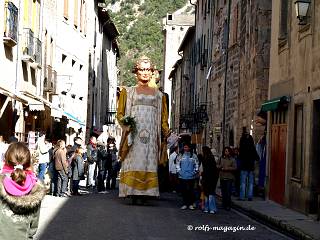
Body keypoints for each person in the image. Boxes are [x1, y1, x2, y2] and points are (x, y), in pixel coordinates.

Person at [116, 56, 170, 203]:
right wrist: (125, 123)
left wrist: (166, 130)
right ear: (136, 72)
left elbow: (164, 118)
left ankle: (147, 194)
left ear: (152, 72)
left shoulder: (160, 96)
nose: (145, 72)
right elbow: (120, 113)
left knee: (149, 162)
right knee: (134, 161)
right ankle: (133, 192)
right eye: (142, 69)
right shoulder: (128, 92)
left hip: (152, 136)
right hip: (133, 134)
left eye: (148, 69)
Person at [0, 142, 46, 239]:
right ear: (28, 162)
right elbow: (32, 228)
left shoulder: (1, 185)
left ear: (6, 160)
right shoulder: (35, 189)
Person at [238, 127, 260, 201]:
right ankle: (250, 196)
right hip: (250, 166)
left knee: (243, 182)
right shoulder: (252, 146)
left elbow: (240, 156)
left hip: (244, 166)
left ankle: (242, 196)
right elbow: (256, 156)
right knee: (250, 183)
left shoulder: (242, 146)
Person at [176, 143, 199, 210]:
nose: (185, 148)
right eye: (184, 147)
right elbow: (177, 164)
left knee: (191, 191)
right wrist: (179, 172)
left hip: (191, 177)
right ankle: (185, 203)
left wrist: (194, 172)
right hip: (182, 176)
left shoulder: (194, 156)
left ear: (189, 148)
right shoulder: (180, 155)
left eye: (186, 147)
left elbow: (196, 165)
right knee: (184, 191)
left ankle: (191, 204)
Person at [200, 146, 219, 214]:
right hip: (209, 177)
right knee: (209, 193)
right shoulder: (209, 158)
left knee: (208, 193)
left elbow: (206, 169)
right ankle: (211, 208)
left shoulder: (207, 158)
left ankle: (208, 208)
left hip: (208, 177)